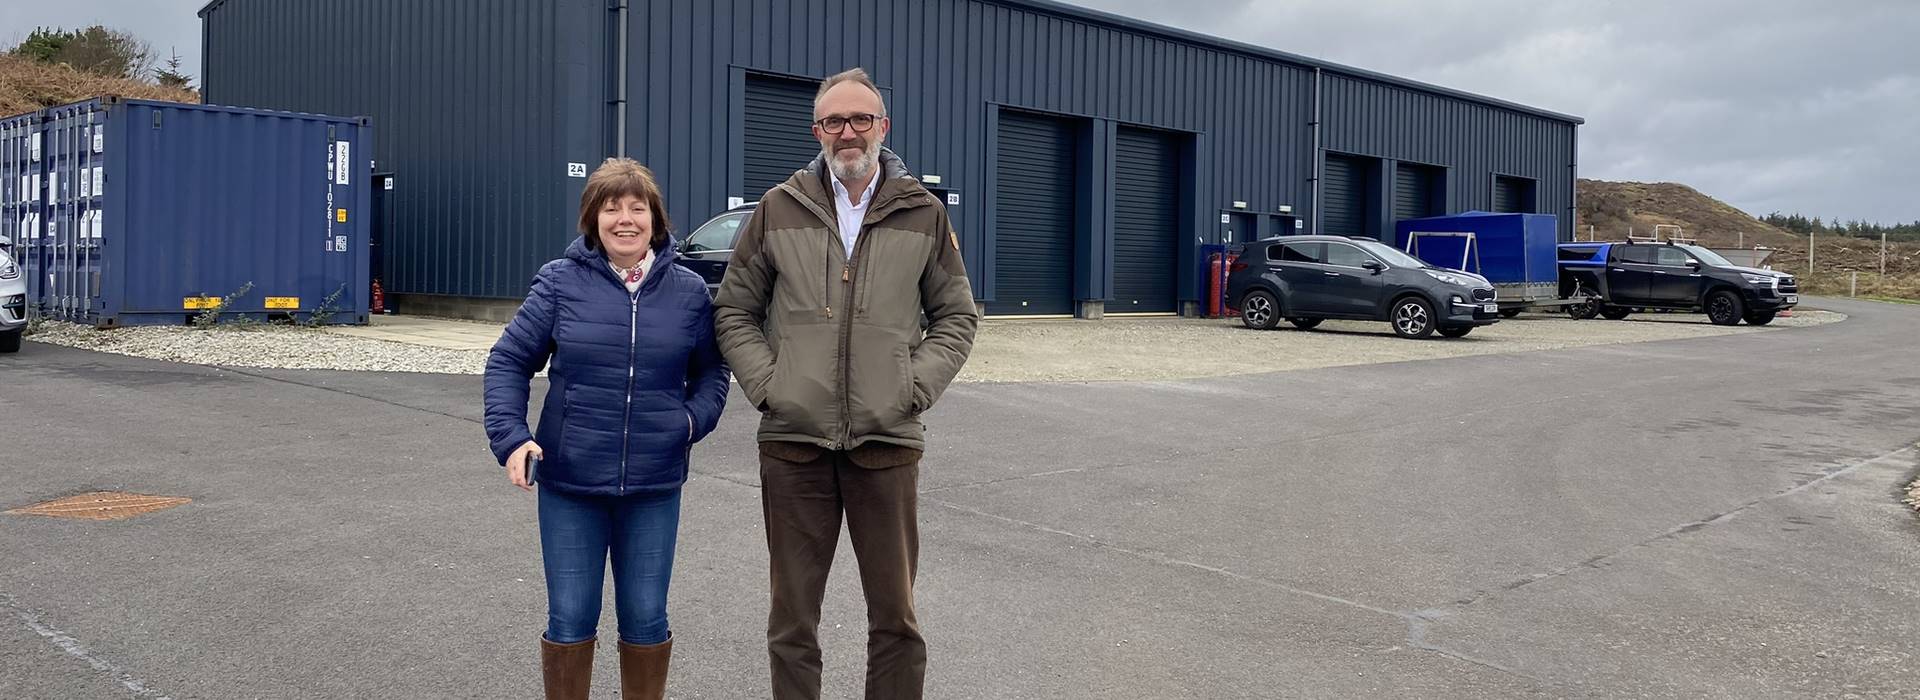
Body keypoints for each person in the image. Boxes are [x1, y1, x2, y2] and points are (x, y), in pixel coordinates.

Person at [713, 67, 979, 700]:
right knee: (792, 622)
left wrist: (911, 388)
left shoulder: (922, 213)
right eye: (834, 121)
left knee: (895, 620)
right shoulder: (778, 208)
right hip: (794, 445)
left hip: (886, 445)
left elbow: (956, 317)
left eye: (861, 118)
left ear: (883, 126)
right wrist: (771, 387)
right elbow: (734, 310)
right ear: (817, 131)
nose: (848, 132)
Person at [483, 157, 730, 700]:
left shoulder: (689, 291)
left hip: (653, 485)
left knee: (646, 617)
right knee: (571, 617)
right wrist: (512, 437)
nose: (625, 219)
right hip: (571, 483)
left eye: (637, 208)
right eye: (611, 208)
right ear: (593, 219)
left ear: (655, 219)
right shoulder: (559, 282)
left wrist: (690, 422)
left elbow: (712, 371)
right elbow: (509, 361)